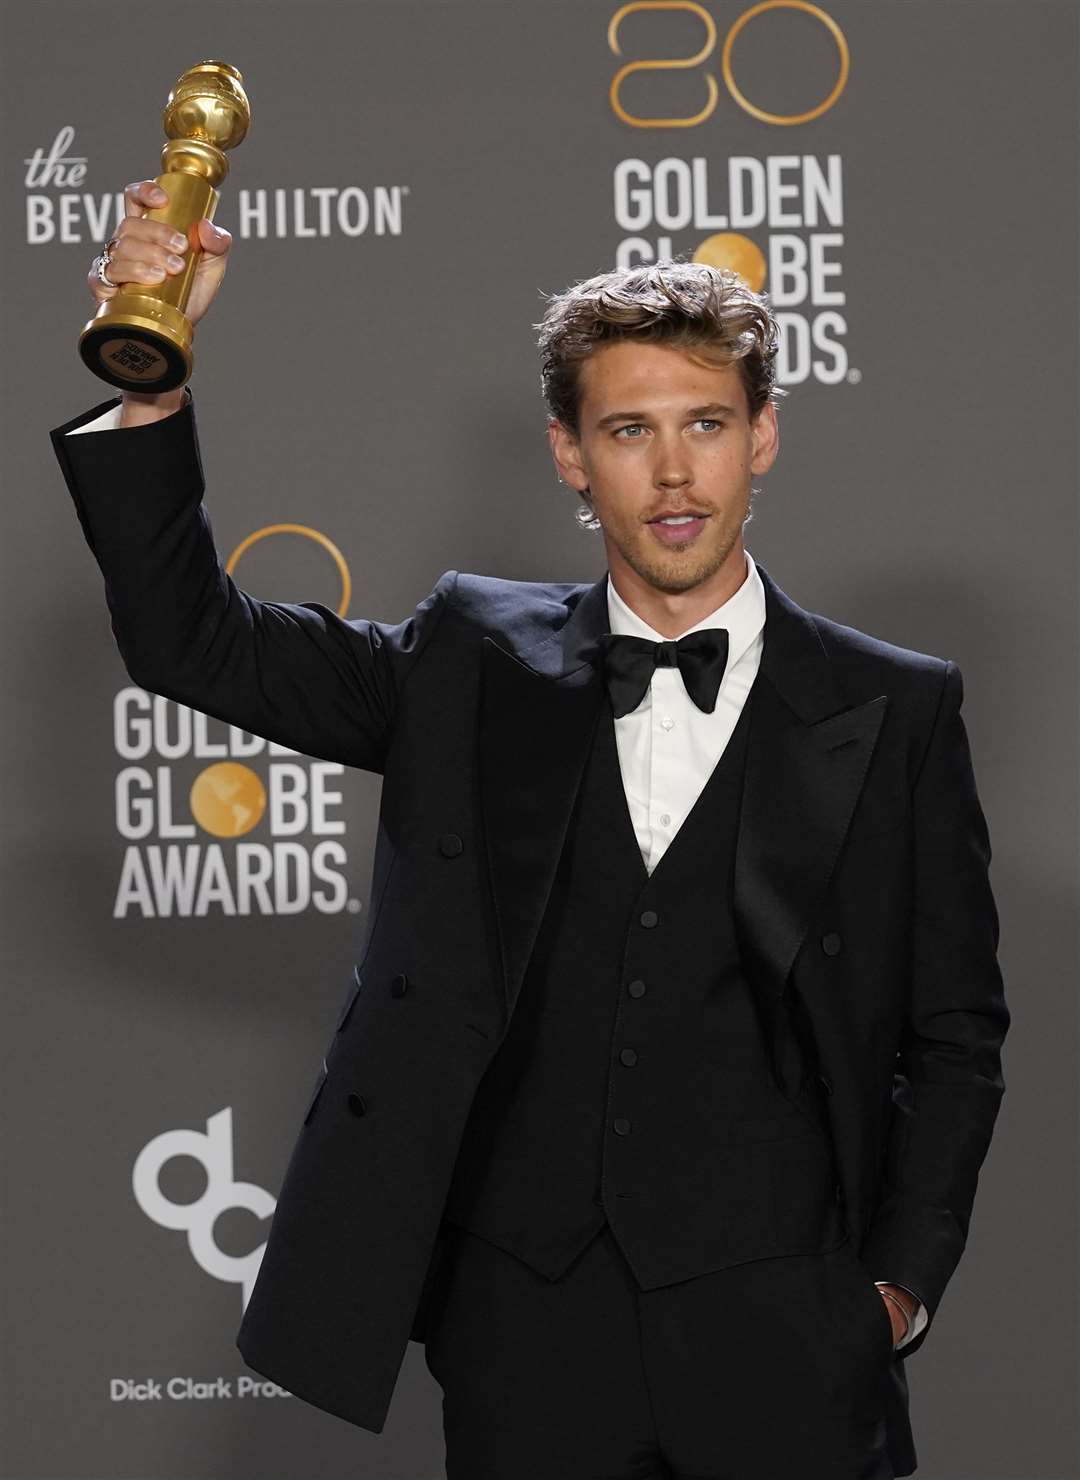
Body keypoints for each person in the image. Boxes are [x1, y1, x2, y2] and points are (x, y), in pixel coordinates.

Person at [50, 179, 1009, 1480]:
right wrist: (149, 365)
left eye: (706, 425)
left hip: (789, 1335)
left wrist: (892, 1291)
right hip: (524, 1332)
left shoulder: (896, 706)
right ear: (570, 450)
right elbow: (188, 642)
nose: (674, 473)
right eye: (629, 430)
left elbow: (953, 1038)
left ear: (762, 433)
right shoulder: (464, 660)